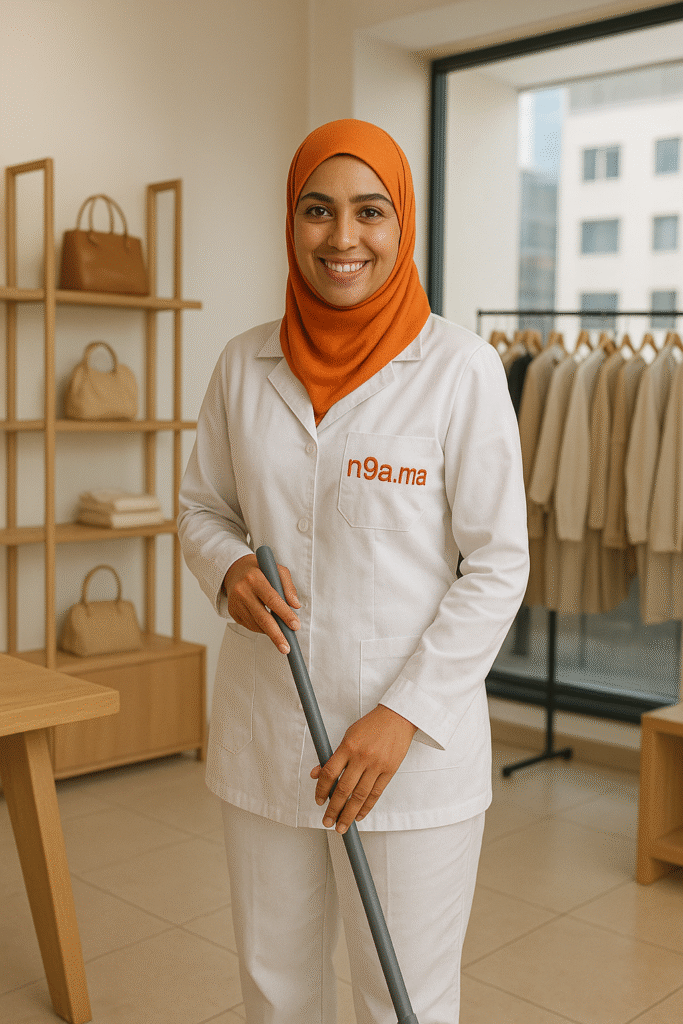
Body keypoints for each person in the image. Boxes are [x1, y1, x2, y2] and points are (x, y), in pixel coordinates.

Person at [178, 118, 529, 1024]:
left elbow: (497, 564)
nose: (342, 237)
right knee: (275, 991)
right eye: (317, 210)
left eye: (369, 211)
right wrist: (225, 573)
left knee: (400, 998)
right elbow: (202, 510)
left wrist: (402, 715)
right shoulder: (241, 365)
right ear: (289, 222)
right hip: (269, 729)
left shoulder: (458, 370)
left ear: (400, 223)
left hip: (407, 754)